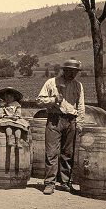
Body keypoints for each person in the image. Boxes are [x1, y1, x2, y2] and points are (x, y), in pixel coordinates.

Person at [36, 59, 85, 195]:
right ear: (64, 70)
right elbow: (39, 100)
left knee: (68, 153)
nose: (73, 74)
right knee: (51, 152)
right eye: (71, 71)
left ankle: (65, 183)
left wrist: (79, 122)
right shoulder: (51, 83)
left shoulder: (78, 86)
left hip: (71, 121)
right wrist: (53, 100)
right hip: (54, 120)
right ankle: (49, 183)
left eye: (76, 71)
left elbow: (81, 106)